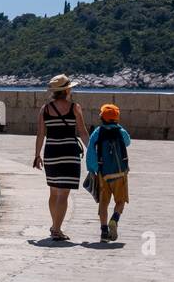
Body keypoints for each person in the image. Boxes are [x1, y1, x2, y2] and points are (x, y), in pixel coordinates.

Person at [32, 74, 88, 241]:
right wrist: (92, 151)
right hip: (70, 154)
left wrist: (37, 155)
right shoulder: (75, 108)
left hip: (51, 153)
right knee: (64, 194)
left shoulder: (45, 109)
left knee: (54, 192)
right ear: (67, 90)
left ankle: (55, 226)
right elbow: (83, 132)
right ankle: (57, 229)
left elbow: (41, 134)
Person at [86, 102, 132, 241]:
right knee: (120, 200)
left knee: (103, 203)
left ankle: (104, 231)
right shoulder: (120, 131)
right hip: (120, 173)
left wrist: (92, 169)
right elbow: (128, 142)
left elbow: (90, 151)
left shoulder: (98, 132)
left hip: (103, 174)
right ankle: (115, 219)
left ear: (102, 117)